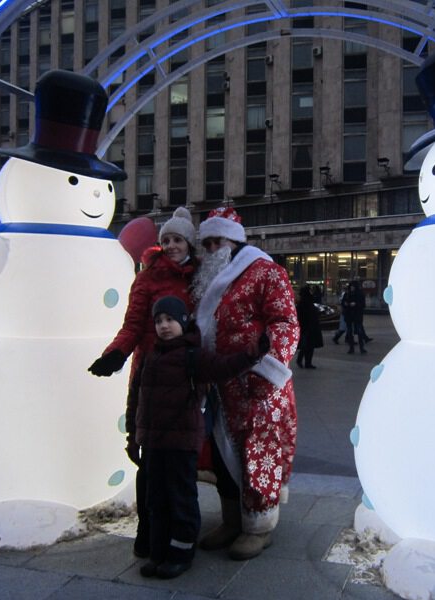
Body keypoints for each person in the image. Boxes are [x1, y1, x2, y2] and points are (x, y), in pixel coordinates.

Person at [88, 206, 197, 559]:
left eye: (178, 239)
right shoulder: (147, 278)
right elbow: (133, 323)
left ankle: (181, 535)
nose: (172, 245)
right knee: (148, 460)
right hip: (150, 375)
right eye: (166, 240)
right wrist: (115, 354)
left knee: (181, 462)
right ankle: (148, 533)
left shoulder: (202, 277)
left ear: (189, 243)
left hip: (188, 376)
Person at [192, 206, 299, 560]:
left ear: (233, 241)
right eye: (205, 243)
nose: (210, 249)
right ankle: (231, 520)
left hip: (258, 385)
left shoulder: (266, 272)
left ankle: (259, 527)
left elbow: (285, 321)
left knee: (259, 455)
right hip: (221, 386)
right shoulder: (210, 278)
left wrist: (268, 367)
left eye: (216, 241)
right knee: (225, 457)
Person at [136, 296, 269, 579]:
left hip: (181, 443)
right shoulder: (151, 355)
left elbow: (223, 367)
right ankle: (159, 553)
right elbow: (138, 398)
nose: (164, 326)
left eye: (170, 320)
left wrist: (251, 354)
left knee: (180, 498)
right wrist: (134, 438)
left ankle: (181, 553)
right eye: (159, 321)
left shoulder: (192, 356)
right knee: (155, 500)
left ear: (183, 322)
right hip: (153, 443)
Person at [295, 285, 323, 369]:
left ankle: (305, 362)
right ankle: (304, 361)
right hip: (308, 327)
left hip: (308, 327)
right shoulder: (305, 303)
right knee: (308, 346)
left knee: (307, 345)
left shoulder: (304, 302)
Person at [341, 280, 367, 354]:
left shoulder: (360, 294)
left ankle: (361, 348)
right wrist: (346, 304)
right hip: (349, 315)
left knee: (359, 331)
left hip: (357, 315)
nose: (352, 288)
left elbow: (363, 304)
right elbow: (343, 302)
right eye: (351, 286)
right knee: (350, 332)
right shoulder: (347, 294)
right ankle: (351, 348)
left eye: (353, 286)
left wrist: (355, 304)